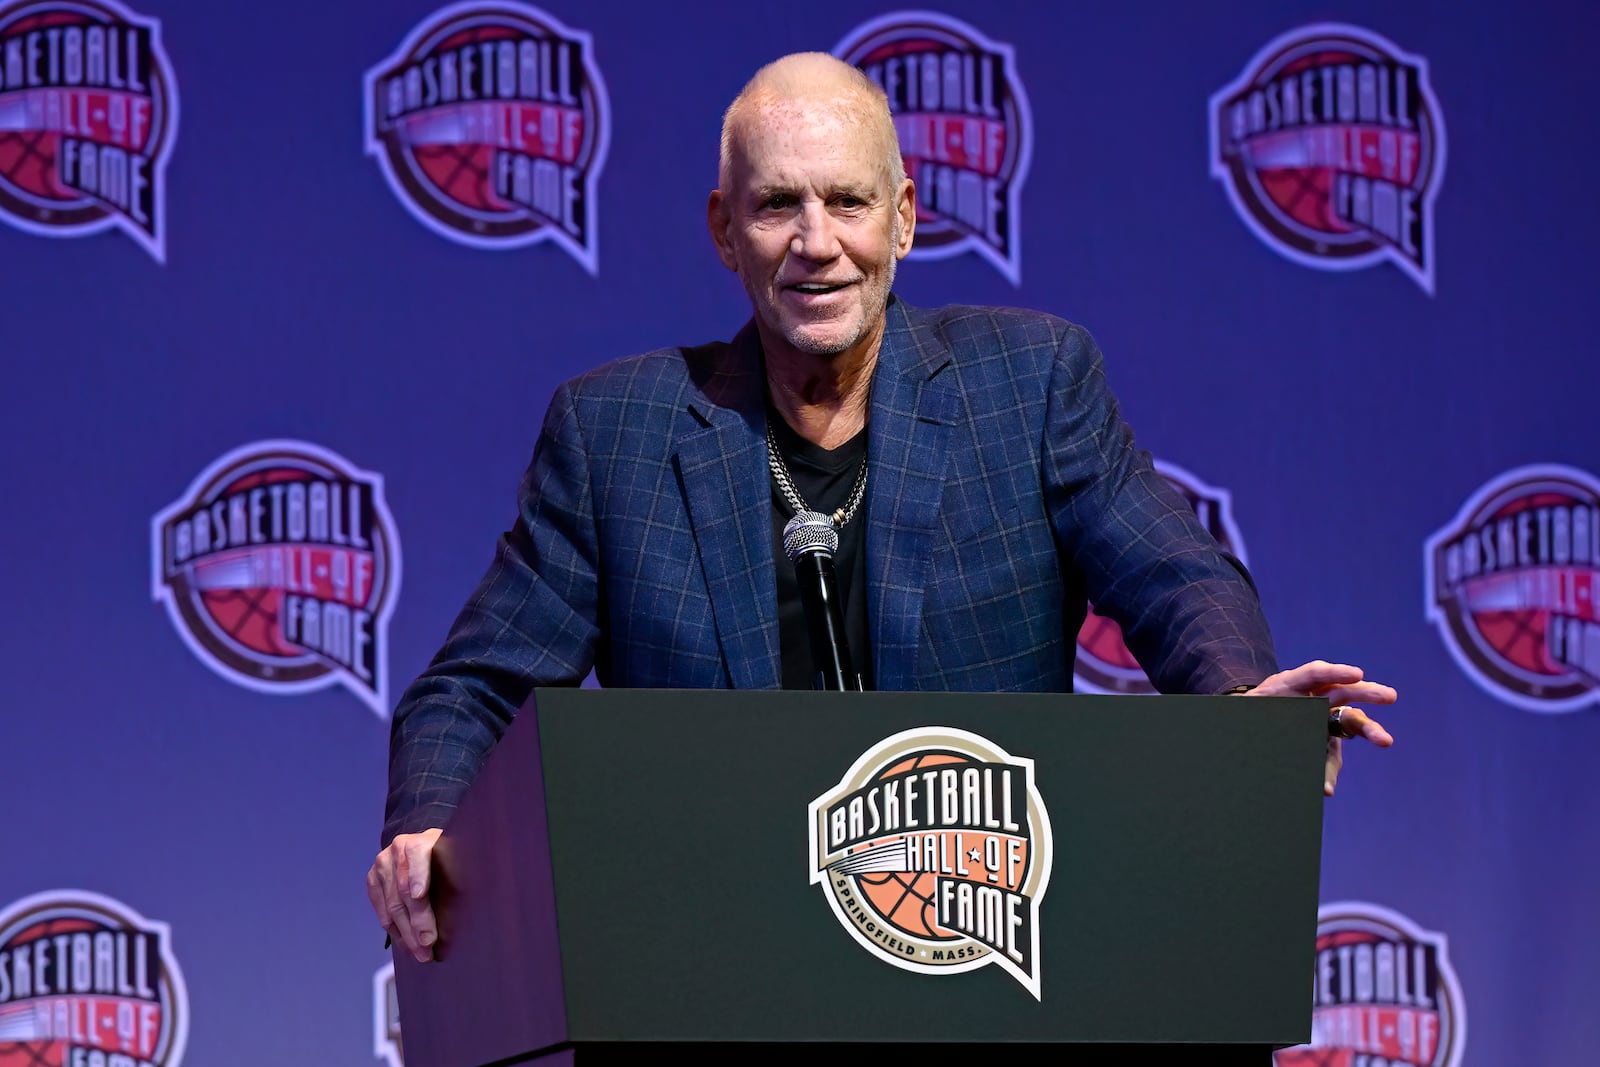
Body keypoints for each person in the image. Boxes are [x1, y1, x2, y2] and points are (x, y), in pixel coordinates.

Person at [366, 53, 1396, 963]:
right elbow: (471, 687)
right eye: (776, 206)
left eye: (847, 202)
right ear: (725, 230)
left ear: (902, 216)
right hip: (714, 963)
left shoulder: (1029, 383)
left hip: (981, 958)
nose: (815, 242)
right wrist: (428, 828)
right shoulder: (615, 432)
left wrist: (1239, 706)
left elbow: (1173, 571)